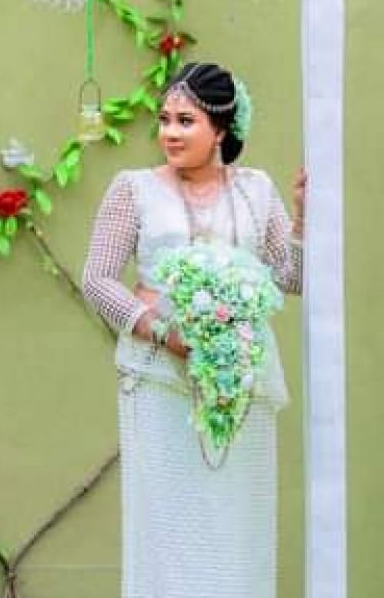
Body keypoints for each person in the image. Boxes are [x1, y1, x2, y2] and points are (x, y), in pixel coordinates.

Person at [81, 61, 305, 598]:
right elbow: (97, 279)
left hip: (240, 386)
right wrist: (163, 332)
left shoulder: (255, 190)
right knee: (168, 527)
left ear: (221, 130)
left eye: (186, 121)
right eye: (164, 120)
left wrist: (303, 218)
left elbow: (291, 277)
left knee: (238, 528)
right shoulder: (133, 189)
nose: (170, 133)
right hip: (160, 384)